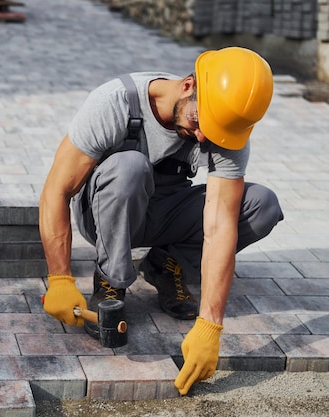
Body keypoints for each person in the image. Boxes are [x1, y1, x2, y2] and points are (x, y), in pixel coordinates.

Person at [39, 47, 284, 396]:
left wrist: (210, 326)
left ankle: (166, 263)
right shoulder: (114, 102)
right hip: (107, 213)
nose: (203, 138)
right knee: (129, 168)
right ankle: (111, 279)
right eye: (200, 122)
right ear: (187, 86)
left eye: (214, 132)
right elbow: (56, 191)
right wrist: (60, 276)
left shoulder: (225, 127)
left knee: (261, 205)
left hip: (165, 209)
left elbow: (220, 225)